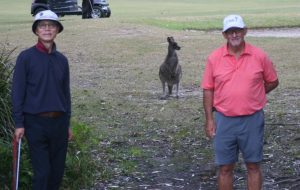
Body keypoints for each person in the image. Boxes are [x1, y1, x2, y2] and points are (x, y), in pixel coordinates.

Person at [201, 14, 279, 190]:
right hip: (224, 120)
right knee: (225, 167)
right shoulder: (214, 58)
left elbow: (273, 81)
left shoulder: (259, 55)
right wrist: (209, 120)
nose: (234, 35)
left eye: (237, 30)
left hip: (252, 120)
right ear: (224, 35)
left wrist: (255, 93)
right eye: (230, 32)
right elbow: (208, 89)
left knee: (253, 165)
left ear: (245, 31)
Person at [12, 10, 72, 190]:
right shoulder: (26, 57)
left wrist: (67, 123)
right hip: (35, 123)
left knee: (56, 173)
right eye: (42, 26)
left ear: (57, 30)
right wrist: (19, 123)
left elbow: (65, 94)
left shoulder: (62, 60)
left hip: (59, 123)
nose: (47, 29)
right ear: (36, 31)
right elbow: (17, 91)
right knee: (42, 172)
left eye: (51, 25)